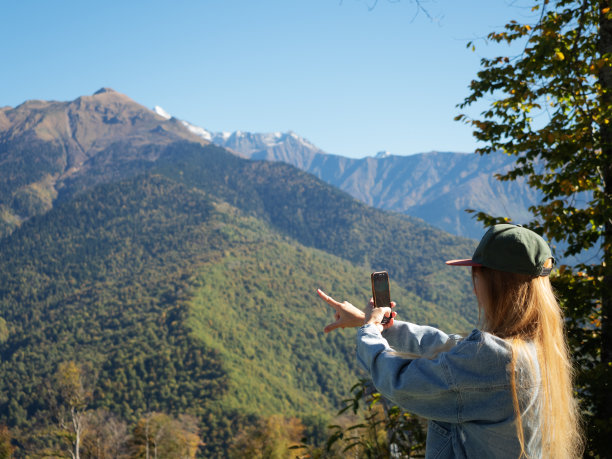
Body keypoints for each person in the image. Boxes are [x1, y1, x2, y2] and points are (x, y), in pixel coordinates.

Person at [317, 224, 582, 459]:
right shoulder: (539, 350)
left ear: (496, 286)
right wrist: (381, 325)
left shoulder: (496, 358)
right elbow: (450, 348)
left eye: (476, 278)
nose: (473, 289)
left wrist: (370, 331)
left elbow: (399, 381)